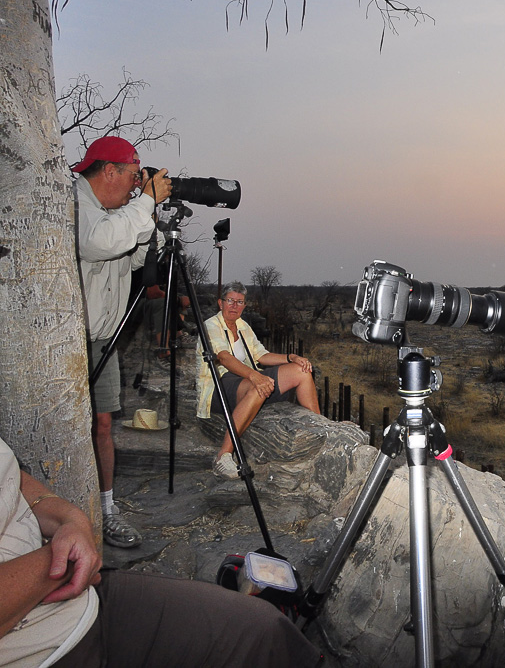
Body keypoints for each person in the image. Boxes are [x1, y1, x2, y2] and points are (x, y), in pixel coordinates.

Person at [0, 433, 322, 667]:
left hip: (83, 600)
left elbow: (14, 479)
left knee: (263, 629)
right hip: (44, 647)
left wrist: (72, 521)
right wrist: (60, 562)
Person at [72, 136, 172, 549]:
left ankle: (105, 509)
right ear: (108, 170)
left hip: (104, 338)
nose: (135, 186)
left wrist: (150, 224)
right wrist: (143, 204)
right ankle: (65, 511)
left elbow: (132, 258)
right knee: (70, 428)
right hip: (70, 343)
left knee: (103, 424)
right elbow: (96, 243)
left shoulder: (115, 213)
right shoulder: (74, 204)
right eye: (133, 177)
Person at [196, 282, 321, 478]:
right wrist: (255, 376)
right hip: (218, 386)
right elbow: (224, 358)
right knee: (258, 386)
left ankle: (321, 428)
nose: (234, 306)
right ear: (220, 303)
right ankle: (224, 455)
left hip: (243, 380)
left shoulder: (243, 326)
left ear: (244, 306)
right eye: (230, 301)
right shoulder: (211, 325)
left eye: (239, 302)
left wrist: (292, 357)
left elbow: (261, 356)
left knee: (301, 371)